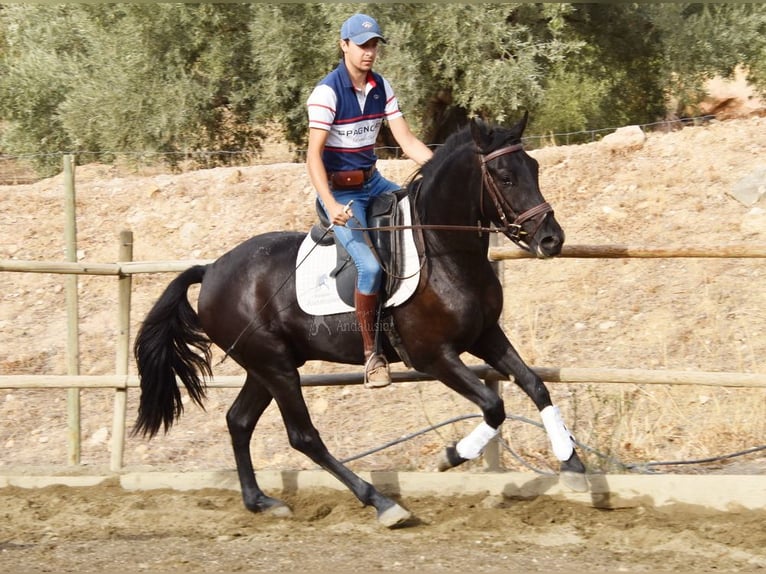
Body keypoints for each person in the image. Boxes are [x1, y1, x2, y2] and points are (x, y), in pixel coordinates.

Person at [306, 13, 433, 388]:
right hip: (341, 193)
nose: (369, 52)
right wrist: (330, 204)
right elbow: (313, 156)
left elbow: (406, 141)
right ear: (344, 45)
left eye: (374, 44)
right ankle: (371, 355)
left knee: (421, 215)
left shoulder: (381, 86)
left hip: (374, 183)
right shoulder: (327, 93)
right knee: (370, 269)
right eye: (362, 45)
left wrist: (440, 169)